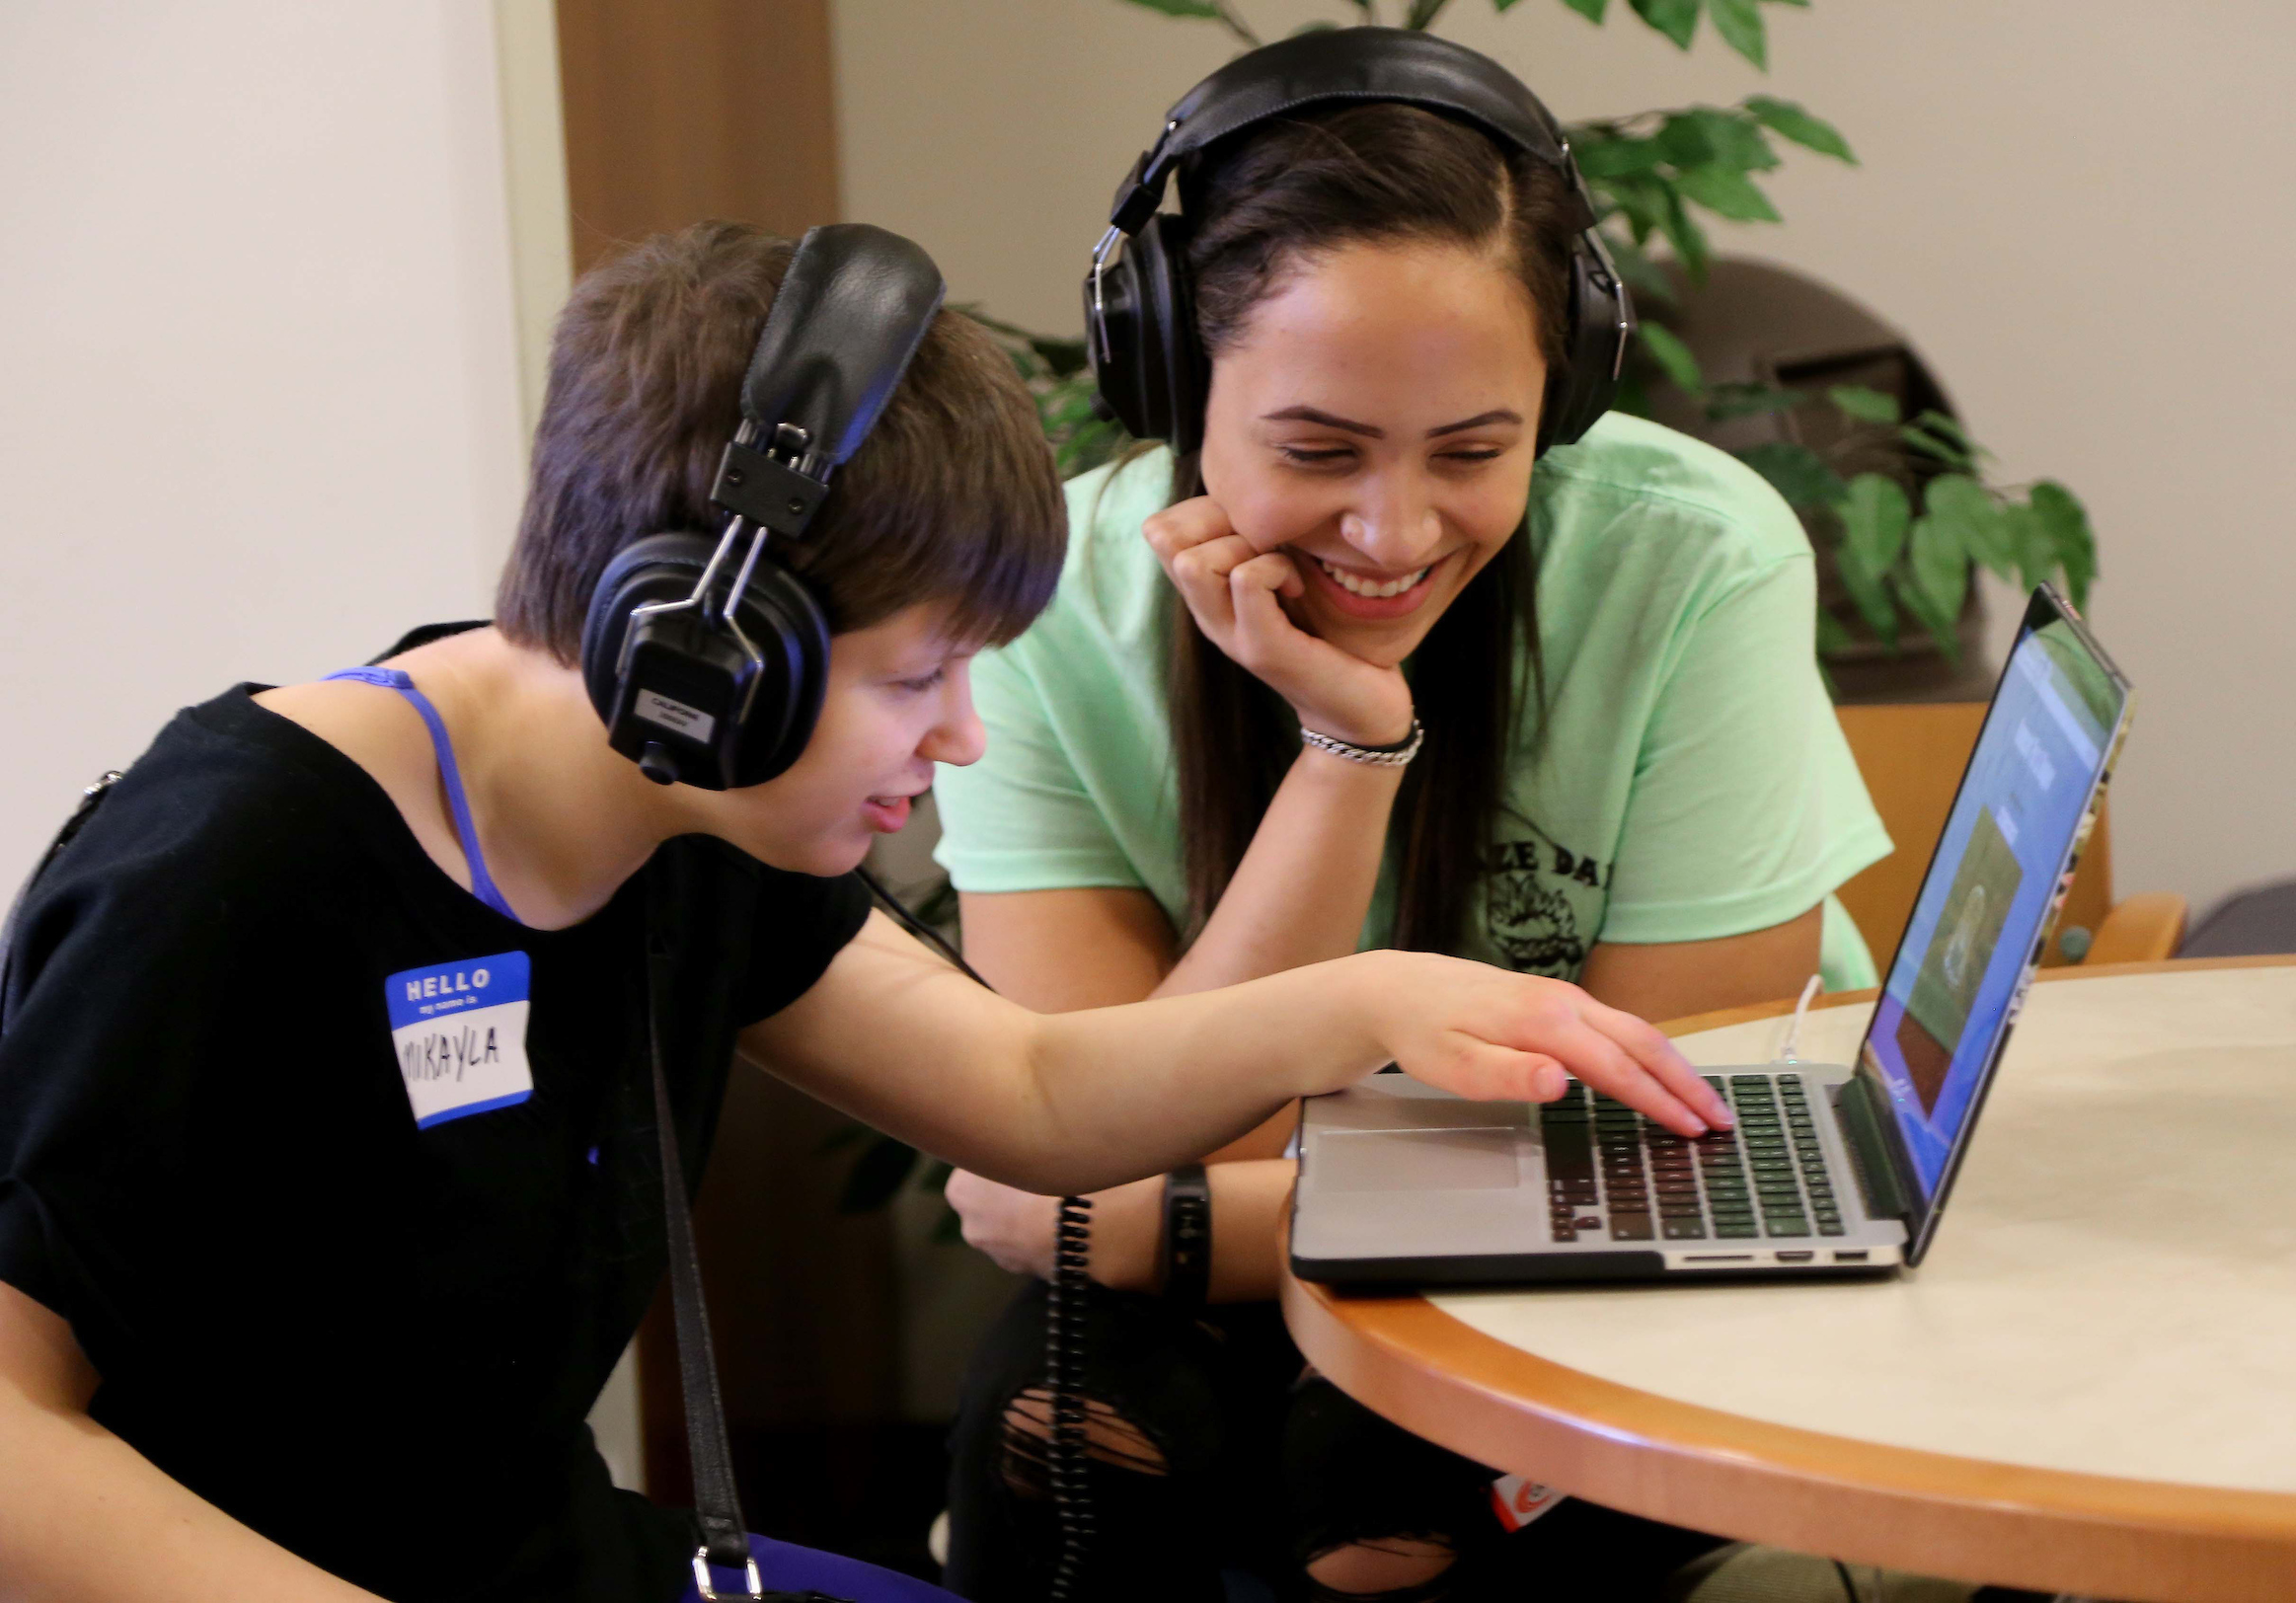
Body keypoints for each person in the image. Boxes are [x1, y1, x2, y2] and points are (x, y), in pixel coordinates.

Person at [0, 220, 1729, 1603]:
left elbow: (1037, 1101)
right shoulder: (232, 870)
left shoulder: (684, 813)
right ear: (703, 649)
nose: (962, 736)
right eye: (922, 678)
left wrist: (1375, 1006)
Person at [932, 30, 1891, 1603]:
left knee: (1383, 1506)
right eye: (1315, 451)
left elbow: (1673, 1149)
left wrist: (1167, 1231)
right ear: (1174, 382)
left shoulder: (1696, 563)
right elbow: (1112, 1121)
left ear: (1561, 391)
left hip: (1621, 1253)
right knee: (1054, 1439)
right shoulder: (1042, 618)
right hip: (1396, 1212)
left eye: (1475, 451)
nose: (1393, 532)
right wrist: (1347, 751)